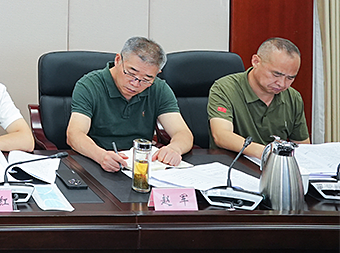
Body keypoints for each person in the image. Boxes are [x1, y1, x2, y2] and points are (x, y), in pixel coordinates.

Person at [66, 37, 193, 172]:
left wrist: (174, 149)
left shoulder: (158, 88)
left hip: (140, 165)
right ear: (118, 60)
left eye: (146, 79)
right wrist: (101, 156)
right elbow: (75, 134)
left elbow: (182, 133)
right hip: (97, 162)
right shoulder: (89, 85)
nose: (135, 83)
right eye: (131, 73)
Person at [208, 37, 309, 159]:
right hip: (234, 163)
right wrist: (268, 153)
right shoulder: (224, 88)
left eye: (290, 78)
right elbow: (221, 135)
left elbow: (303, 146)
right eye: (276, 74)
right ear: (256, 61)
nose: (282, 84)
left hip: (275, 165)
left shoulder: (293, 97)